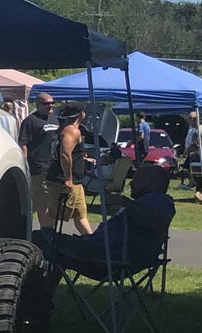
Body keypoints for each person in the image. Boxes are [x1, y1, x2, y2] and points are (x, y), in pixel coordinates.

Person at [41, 162, 176, 273]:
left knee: (43, 238)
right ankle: (42, 296)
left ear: (155, 184)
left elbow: (152, 220)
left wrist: (125, 202)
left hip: (106, 258)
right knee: (53, 248)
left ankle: (37, 298)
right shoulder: (148, 201)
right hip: (106, 254)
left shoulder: (159, 200)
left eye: (138, 180)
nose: (131, 184)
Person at [37, 106, 91, 234]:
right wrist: (68, 179)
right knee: (55, 214)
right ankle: (48, 240)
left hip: (76, 181)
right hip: (63, 181)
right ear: (81, 115)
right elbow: (65, 154)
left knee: (80, 215)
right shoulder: (71, 131)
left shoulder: (69, 129)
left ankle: (92, 242)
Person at [22, 94, 64, 225]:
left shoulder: (56, 119)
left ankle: (49, 232)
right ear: (37, 105)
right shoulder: (31, 121)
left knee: (52, 203)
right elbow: (23, 143)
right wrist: (25, 164)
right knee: (42, 203)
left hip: (54, 168)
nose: (50, 106)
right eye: (46, 104)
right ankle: (46, 233)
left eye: (52, 103)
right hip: (39, 168)